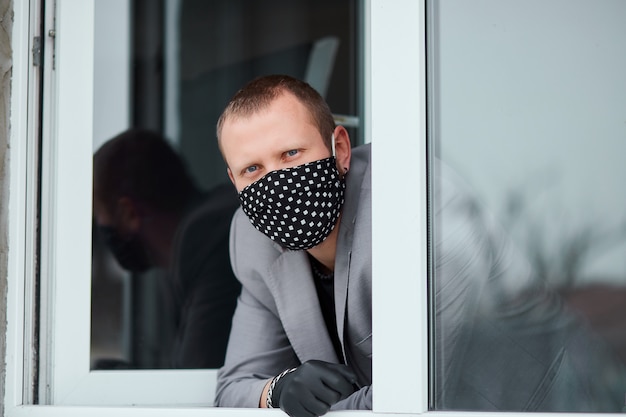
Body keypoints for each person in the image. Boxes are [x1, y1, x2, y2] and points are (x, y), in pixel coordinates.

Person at [214, 74, 626, 416]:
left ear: (339, 149)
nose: (275, 181)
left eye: (291, 153)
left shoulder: (417, 201)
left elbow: (419, 391)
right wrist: (279, 390)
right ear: (234, 182)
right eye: (253, 168)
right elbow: (233, 388)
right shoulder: (252, 238)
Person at [93, 129, 242, 369]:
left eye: (99, 215)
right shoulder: (202, 234)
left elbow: (199, 378)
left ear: (129, 213)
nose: (100, 229)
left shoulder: (203, 237)